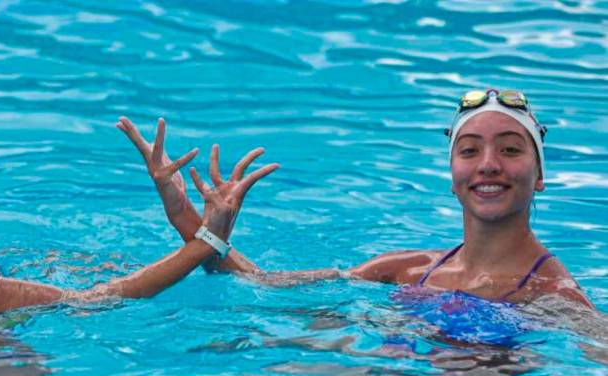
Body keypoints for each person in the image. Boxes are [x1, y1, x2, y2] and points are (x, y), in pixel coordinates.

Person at [118, 89, 594, 311]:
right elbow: (264, 286)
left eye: (511, 150)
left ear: (539, 178)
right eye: (469, 151)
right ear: (453, 177)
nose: (488, 164)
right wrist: (189, 220)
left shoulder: (553, 296)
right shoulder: (403, 268)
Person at [0, 64, 279, 313]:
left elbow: (229, 277)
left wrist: (185, 220)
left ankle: (340, 280)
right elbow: (90, 303)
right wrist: (204, 239)